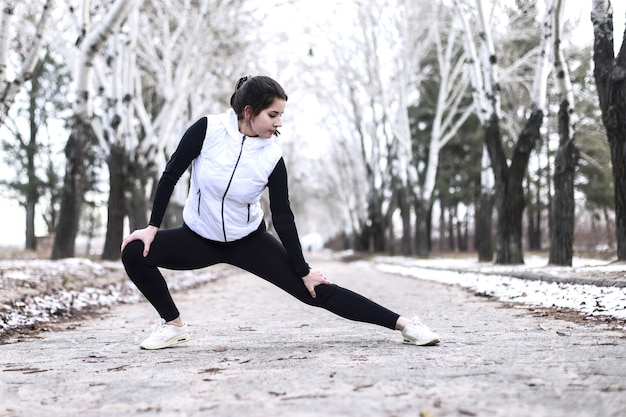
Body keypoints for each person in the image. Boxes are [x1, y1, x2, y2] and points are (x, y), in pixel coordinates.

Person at [121, 75, 440, 350]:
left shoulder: (272, 156)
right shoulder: (208, 130)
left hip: (248, 241)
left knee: (315, 291)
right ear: (249, 112)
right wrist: (152, 227)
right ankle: (174, 325)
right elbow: (172, 171)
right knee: (135, 252)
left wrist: (303, 269)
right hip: (198, 236)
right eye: (273, 114)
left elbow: (283, 217)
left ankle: (405, 326)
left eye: (281, 114)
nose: (279, 122)